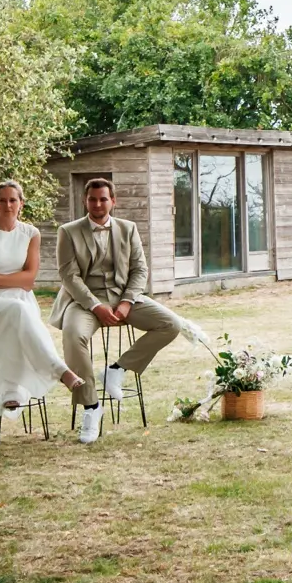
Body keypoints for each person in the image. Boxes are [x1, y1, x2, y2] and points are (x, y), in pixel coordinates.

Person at [53, 177, 188, 444]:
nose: (98, 204)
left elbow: (140, 270)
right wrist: (95, 305)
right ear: (84, 201)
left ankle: (117, 369)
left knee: (171, 324)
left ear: (113, 201)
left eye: (103, 199)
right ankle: (91, 407)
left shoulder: (128, 228)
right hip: (83, 301)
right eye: (92, 199)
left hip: (123, 297)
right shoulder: (68, 231)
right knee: (73, 334)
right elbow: (69, 276)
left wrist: (126, 301)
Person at [0, 181, 88, 413]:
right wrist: (14, 279)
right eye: (2, 200)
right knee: (18, 312)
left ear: (21, 204)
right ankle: (60, 370)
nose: (7, 205)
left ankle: (11, 391)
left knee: (18, 313)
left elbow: (29, 279)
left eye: (13, 200)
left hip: (22, 299)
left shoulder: (31, 233)